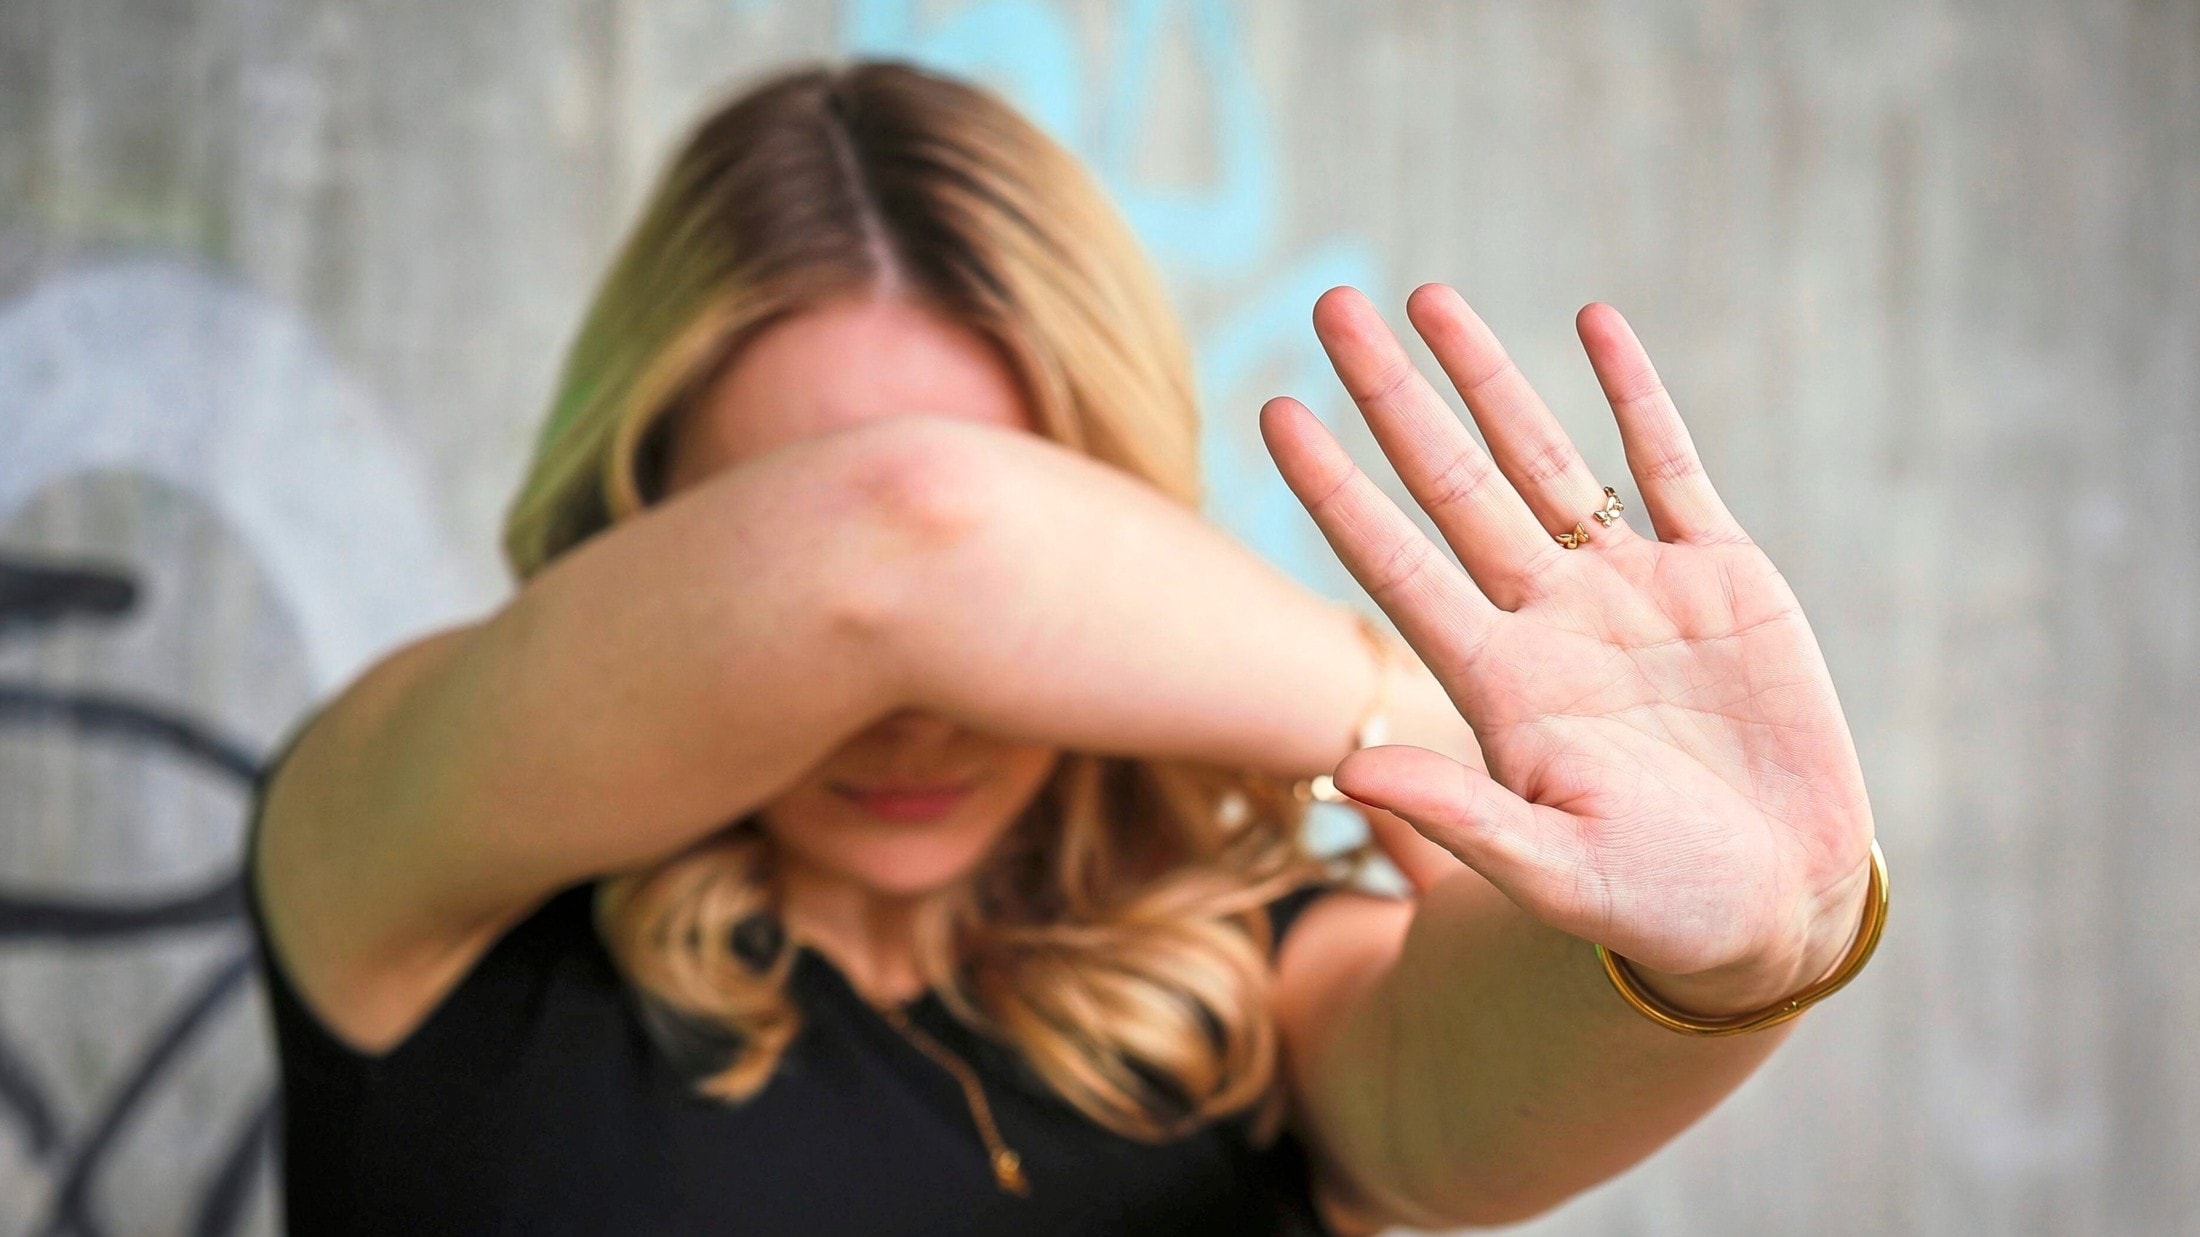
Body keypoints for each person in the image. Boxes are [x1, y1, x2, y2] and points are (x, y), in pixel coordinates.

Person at [245, 61, 1883, 1236]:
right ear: (643, 511)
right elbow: (911, 530)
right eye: (770, 532)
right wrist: (1409, 713)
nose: (908, 712)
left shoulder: (1249, 980)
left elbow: (1469, 1116)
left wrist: (1734, 955)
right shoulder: (406, 860)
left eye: (1033, 575)